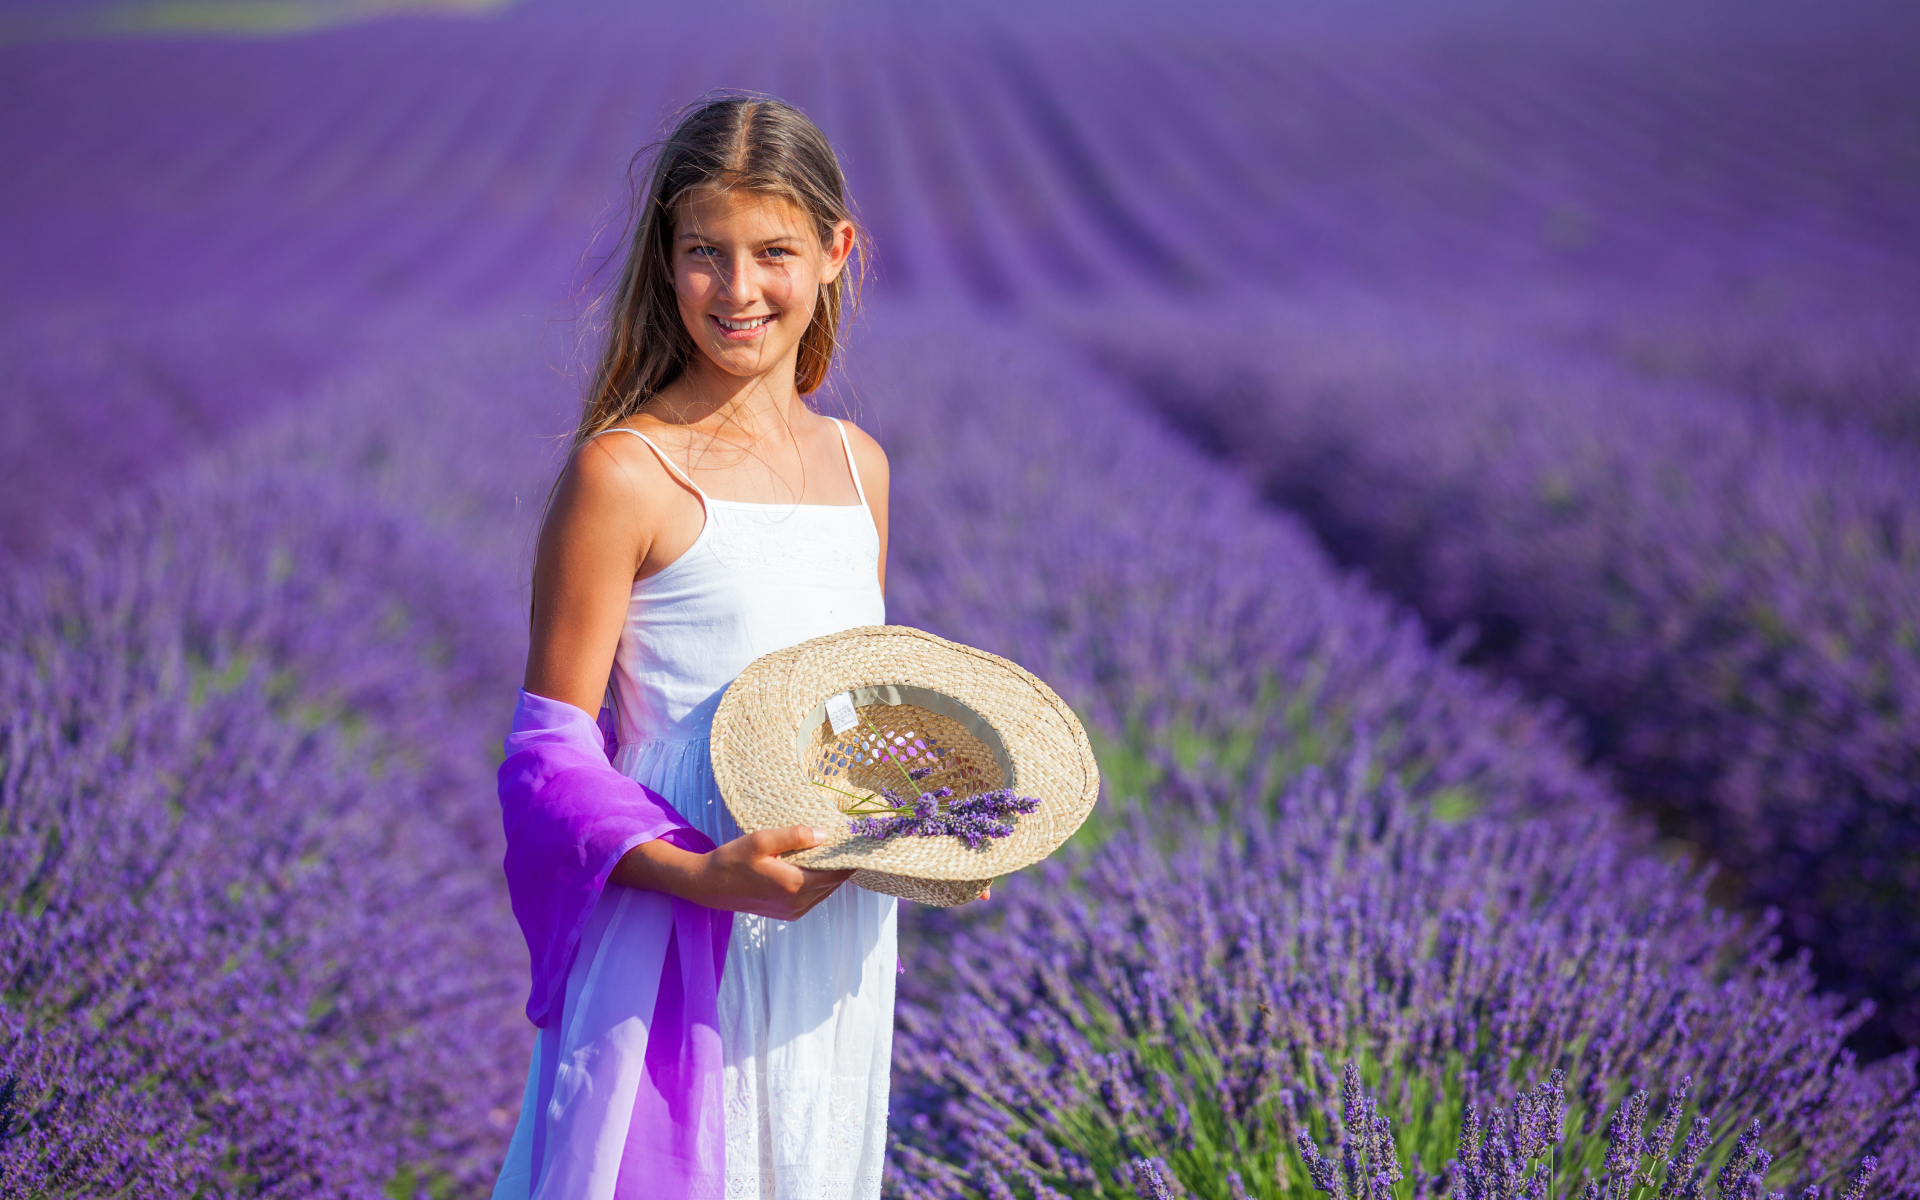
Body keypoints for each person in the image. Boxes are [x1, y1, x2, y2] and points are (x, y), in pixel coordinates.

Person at [492, 94, 925, 1200]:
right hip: (683, 929)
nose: (738, 292)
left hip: (832, 933)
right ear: (666, 261)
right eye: (706, 255)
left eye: (773, 252)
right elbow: (548, 761)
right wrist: (699, 875)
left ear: (836, 253)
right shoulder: (625, 474)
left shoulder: (860, 469)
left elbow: (847, 709)